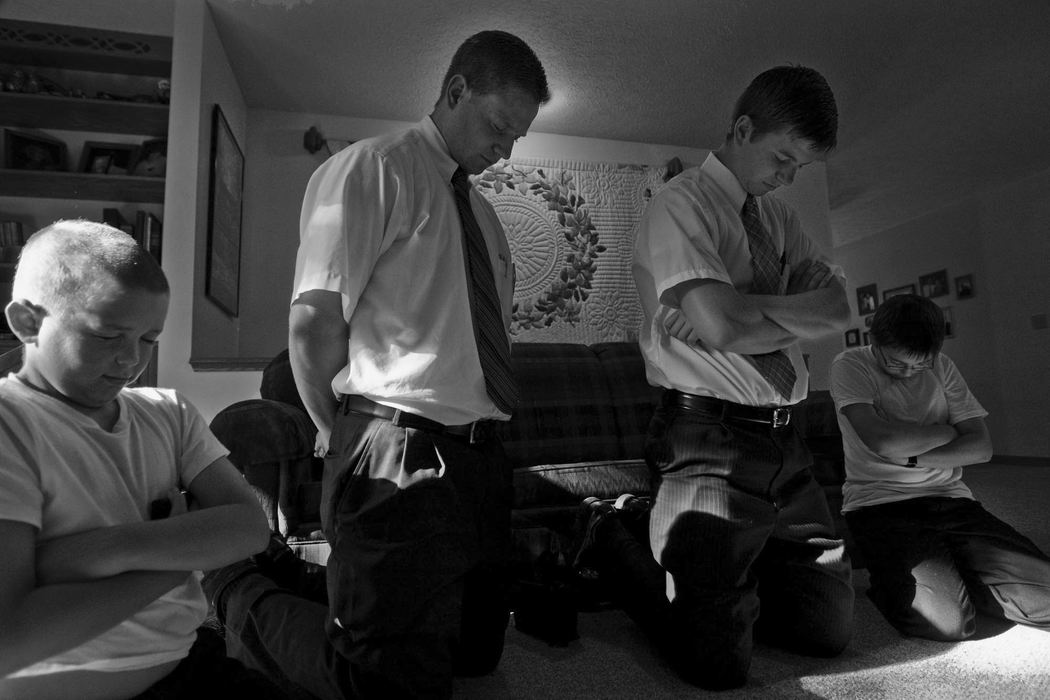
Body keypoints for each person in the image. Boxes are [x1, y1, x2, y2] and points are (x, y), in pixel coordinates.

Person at [205, 30, 550, 699]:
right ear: (455, 91)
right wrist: (343, 441)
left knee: (475, 658)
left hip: (481, 461)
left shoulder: (483, 214)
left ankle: (309, 581)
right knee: (382, 684)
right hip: (395, 446)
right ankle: (229, 582)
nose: (506, 150)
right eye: (500, 127)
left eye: (518, 138)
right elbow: (313, 326)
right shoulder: (373, 169)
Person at [629, 64, 855, 689]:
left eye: (798, 169)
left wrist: (737, 315)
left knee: (827, 632)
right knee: (716, 666)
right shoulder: (681, 205)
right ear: (743, 128)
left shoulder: (780, 220)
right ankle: (618, 543)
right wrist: (772, 314)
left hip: (789, 442)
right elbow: (727, 327)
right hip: (707, 440)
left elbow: (840, 307)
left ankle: (723, 575)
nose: (786, 178)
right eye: (781, 158)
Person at [0, 220, 278, 699]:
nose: (132, 360)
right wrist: (176, 560)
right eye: (108, 336)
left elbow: (249, 528)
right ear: (28, 322)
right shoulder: (12, 423)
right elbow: (12, 640)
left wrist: (105, 551)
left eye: (149, 339)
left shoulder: (168, 413)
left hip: (190, 668)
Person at [830, 293, 1050, 641]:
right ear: (875, 340)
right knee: (948, 623)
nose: (908, 373)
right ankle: (894, 579)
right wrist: (948, 432)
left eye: (920, 365)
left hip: (951, 500)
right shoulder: (850, 364)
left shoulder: (943, 366)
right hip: (879, 504)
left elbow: (980, 448)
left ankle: (960, 570)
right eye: (896, 363)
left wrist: (914, 455)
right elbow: (882, 442)